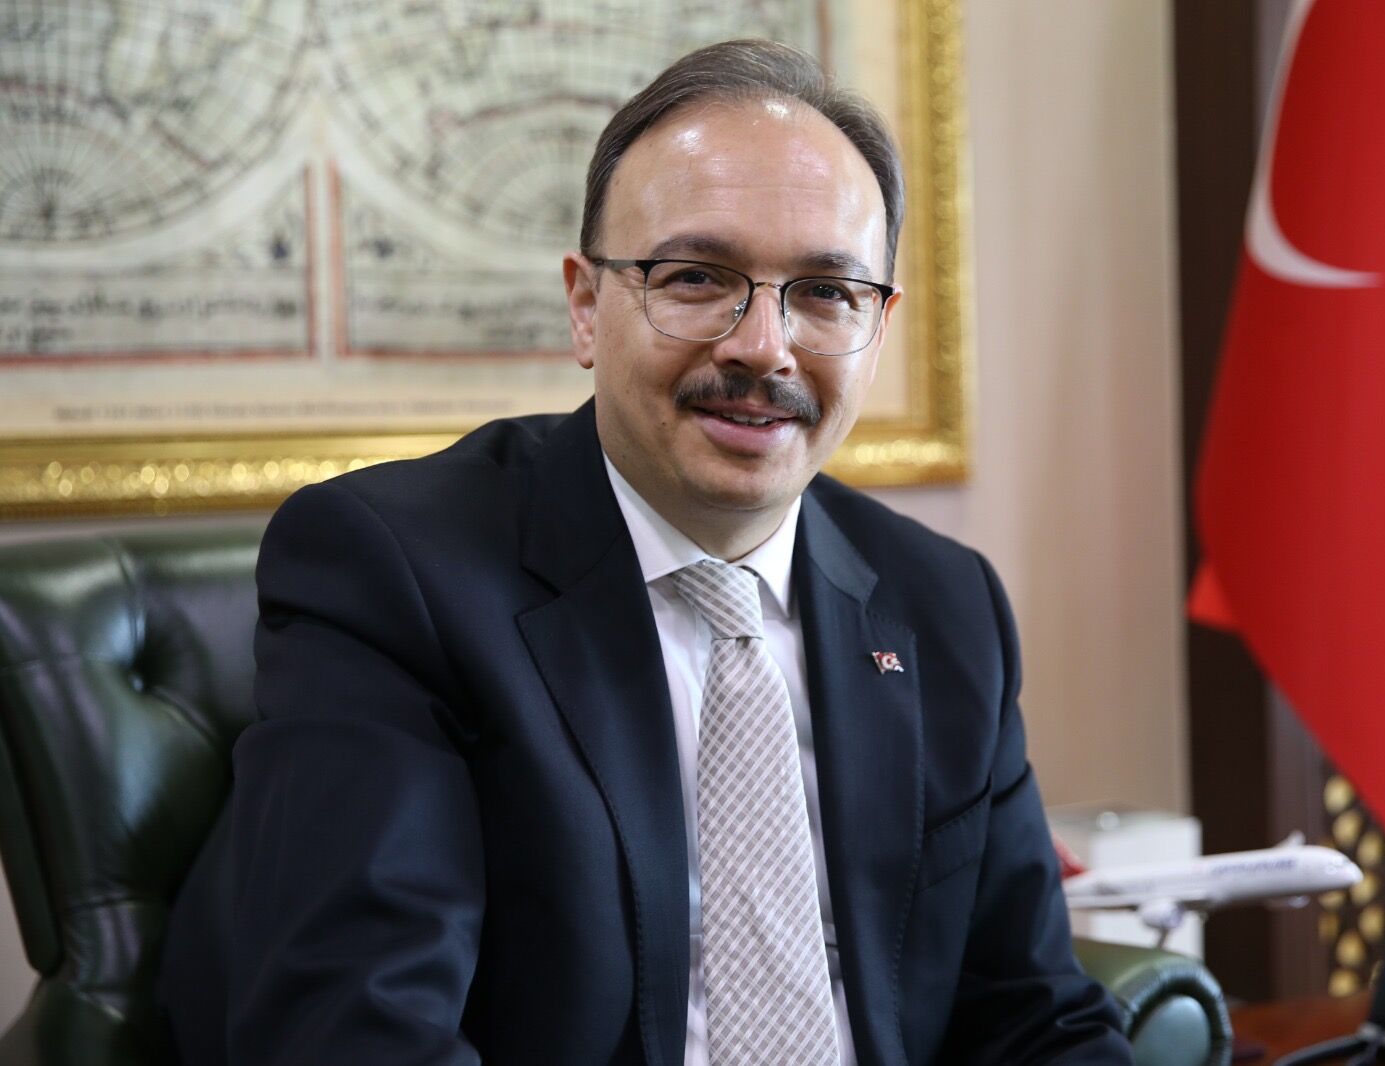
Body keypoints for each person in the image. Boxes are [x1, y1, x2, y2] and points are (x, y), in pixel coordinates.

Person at [161, 38, 1133, 1066]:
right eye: (696, 277)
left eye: (824, 292)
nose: (763, 346)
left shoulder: (942, 604)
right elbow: (360, 1032)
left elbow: (1035, 1015)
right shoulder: (395, 573)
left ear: (877, 328)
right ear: (587, 306)